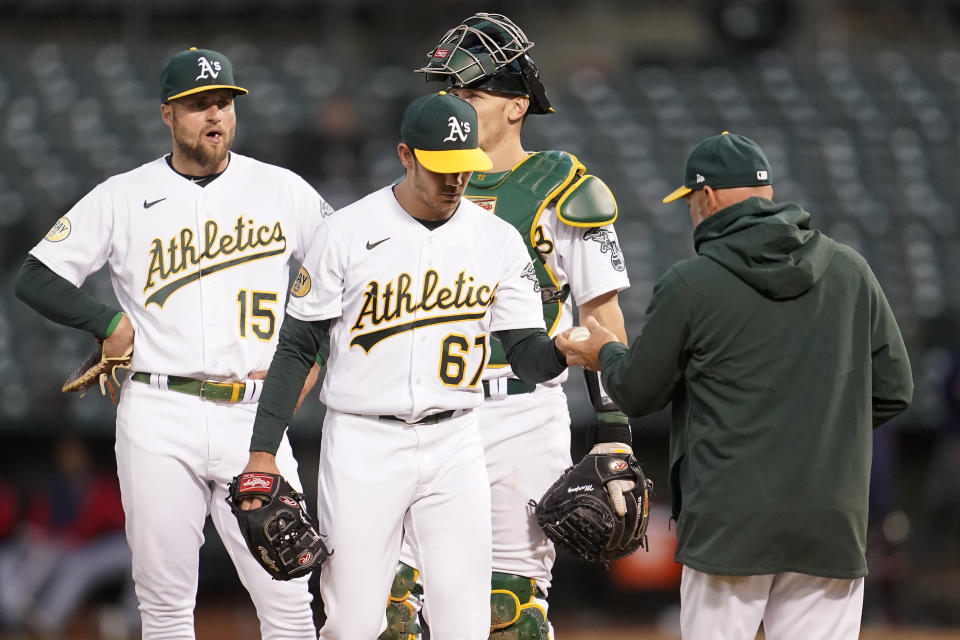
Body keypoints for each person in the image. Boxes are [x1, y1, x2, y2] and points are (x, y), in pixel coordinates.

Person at [14, 47, 331, 638]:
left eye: (224, 103)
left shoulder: (282, 190)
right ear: (167, 115)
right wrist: (106, 322)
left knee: (288, 598)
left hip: (254, 418)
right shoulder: (122, 195)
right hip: (158, 410)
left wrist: (316, 353)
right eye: (198, 105)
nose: (215, 115)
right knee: (163, 605)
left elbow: (345, 277)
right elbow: (35, 276)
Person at [237, 90, 568, 640]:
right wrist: (261, 452)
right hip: (365, 444)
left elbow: (529, 354)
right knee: (355, 623)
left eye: (465, 168)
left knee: (465, 621)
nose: (455, 181)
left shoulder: (499, 240)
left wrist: (563, 351)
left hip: (458, 439)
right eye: (440, 168)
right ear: (405, 155)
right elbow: (297, 347)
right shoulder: (344, 232)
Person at [558, 131, 914, 639]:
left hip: (729, 520)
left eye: (690, 202)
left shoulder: (692, 282)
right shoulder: (850, 270)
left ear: (705, 197)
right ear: (766, 193)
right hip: (829, 519)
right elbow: (896, 389)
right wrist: (819, 421)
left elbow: (638, 390)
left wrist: (605, 353)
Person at [381, 14, 632, 639]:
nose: (456, 105)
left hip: (519, 413)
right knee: (389, 613)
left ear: (518, 105)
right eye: (449, 94)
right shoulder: (417, 188)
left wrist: (614, 430)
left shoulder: (565, 190)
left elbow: (600, 321)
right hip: (421, 410)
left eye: (471, 93)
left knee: (508, 614)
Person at [0, 435, 138, 638]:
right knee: (54, 560)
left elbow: (117, 518)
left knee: (137, 555)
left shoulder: (101, 483)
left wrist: (80, 532)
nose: (70, 459)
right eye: (65, 455)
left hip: (100, 545)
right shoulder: (54, 487)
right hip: (65, 547)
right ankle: (38, 619)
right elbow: (39, 521)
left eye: (74, 454)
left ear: (85, 456)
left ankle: (130, 621)